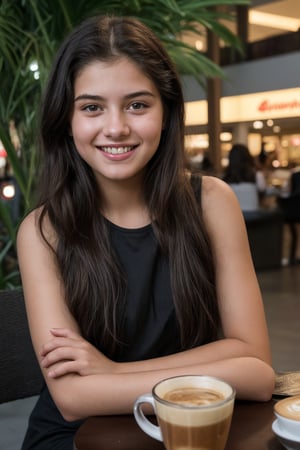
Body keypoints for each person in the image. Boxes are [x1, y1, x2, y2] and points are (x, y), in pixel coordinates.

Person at [17, 15, 275, 450]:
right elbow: (73, 398)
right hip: (75, 438)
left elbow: (259, 370)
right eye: (92, 107)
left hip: (191, 427)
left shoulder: (211, 201)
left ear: (167, 111)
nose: (116, 127)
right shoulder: (44, 231)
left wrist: (113, 372)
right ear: (67, 118)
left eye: (137, 105)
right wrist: (226, 364)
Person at [223, 143, 266, 211]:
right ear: (248, 157)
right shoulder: (257, 175)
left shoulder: (224, 179)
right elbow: (263, 190)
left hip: (233, 217)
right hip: (254, 216)